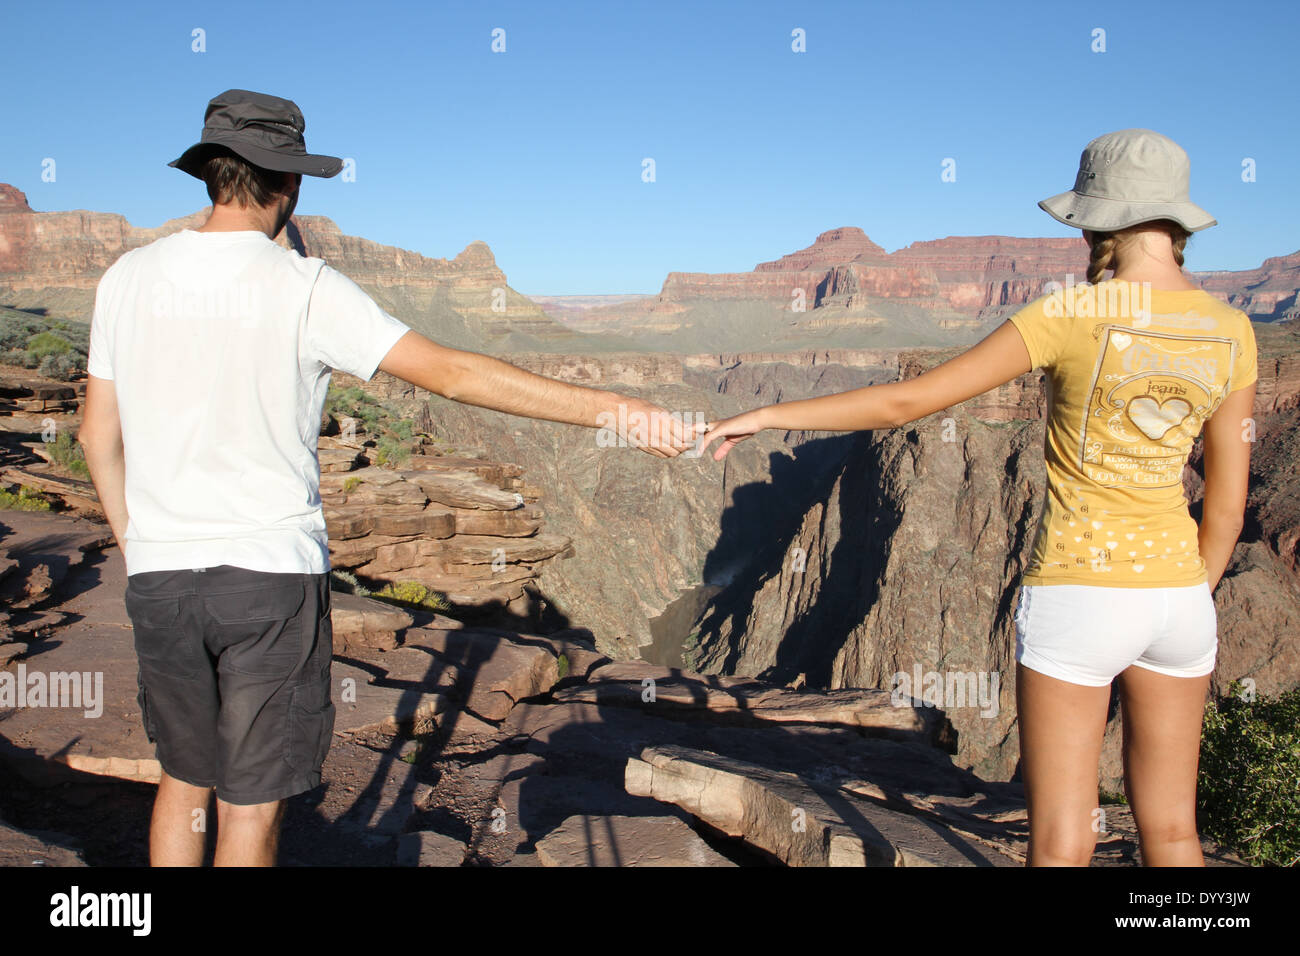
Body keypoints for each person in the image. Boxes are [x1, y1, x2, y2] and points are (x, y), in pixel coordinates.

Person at [78, 89, 698, 867]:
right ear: (290, 184)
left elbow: (96, 436)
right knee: (250, 803)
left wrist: (139, 545)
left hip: (163, 574)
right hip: (268, 577)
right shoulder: (305, 289)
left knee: (184, 780)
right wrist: (617, 409)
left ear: (209, 174)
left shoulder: (126, 279)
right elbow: (455, 375)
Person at [697, 129, 1257, 866]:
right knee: (1175, 832)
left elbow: (908, 404)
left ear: (1094, 222)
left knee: (1060, 838)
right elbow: (1225, 506)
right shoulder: (1233, 329)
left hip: (1081, 594)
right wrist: (1186, 593)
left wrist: (770, 414)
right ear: (1177, 222)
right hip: (1181, 599)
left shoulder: (1069, 315)